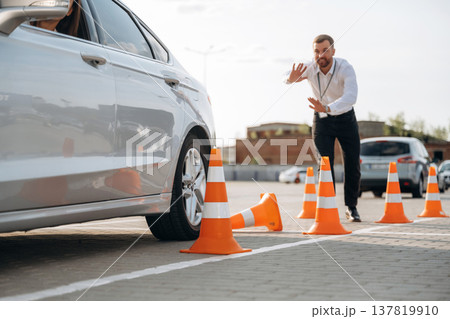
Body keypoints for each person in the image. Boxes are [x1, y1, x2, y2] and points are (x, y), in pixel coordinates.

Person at [286, 34, 361, 222]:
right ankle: (328, 207)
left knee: (352, 162)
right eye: (317, 51)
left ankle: (351, 208)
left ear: (333, 51)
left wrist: (328, 107)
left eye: (325, 51)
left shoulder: (345, 68)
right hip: (322, 120)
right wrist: (291, 79)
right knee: (325, 163)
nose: (321, 55)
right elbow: (288, 75)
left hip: (345, 117)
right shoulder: (311, 67)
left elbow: (351, 97)